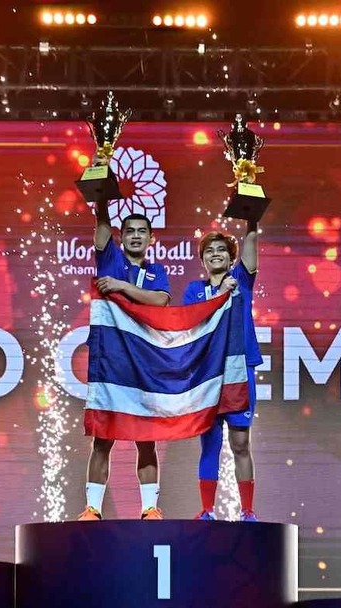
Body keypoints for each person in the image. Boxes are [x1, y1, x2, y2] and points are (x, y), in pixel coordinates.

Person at [78, 199, 171, 521]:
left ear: (151, 238)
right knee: (103, 439)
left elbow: (160, 301)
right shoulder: (110, 259)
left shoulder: (156, 272)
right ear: (121, 237)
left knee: (145, 439)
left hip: (144, 363)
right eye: (129, 231)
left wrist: (120, 286)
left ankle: (149, 508)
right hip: (110, 362)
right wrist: (102, 198)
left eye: (141, 231)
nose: (135, 236)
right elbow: (101, 229)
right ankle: (92, 508)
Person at [182, 221, 261, 522]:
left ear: (231, 258)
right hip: (207, 374)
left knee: (241, 444)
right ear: (202, 260)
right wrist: (219, 294)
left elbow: (251, 255)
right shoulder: (194, 290)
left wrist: (251, 220)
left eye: (222, 250)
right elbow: (192, 323)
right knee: (210, 445)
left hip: (238, 372)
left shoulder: (241, 280)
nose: (215, 254)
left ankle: (248, 511)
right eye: (209, 251)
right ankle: (207, 510)